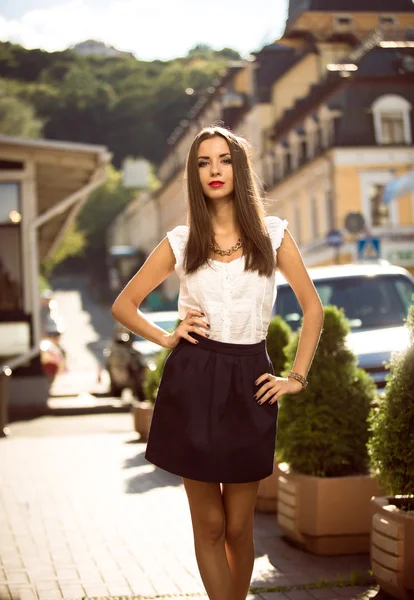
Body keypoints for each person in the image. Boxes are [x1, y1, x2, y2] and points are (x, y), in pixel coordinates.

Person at [111, 126, 324, 600]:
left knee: (238, 528)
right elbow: (125, 305)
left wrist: (296, 378)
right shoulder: (181, 241)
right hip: (194, 378)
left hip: (251, 380)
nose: (214, 170)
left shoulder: (274, 234)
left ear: (239, 168)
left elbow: (313, 307)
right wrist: (168, 336)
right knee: (208, 524)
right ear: (194, 174)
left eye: (223, 159)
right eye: (203, 162)